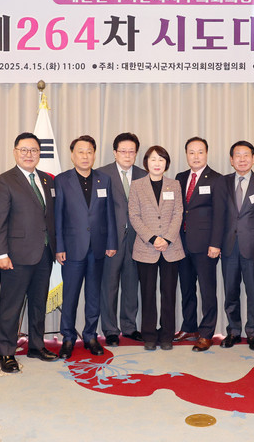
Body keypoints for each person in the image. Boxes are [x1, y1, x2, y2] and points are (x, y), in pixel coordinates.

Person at [0, 132, 58, 373]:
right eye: (24, 150)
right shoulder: (4, 181)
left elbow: (49, 217)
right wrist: (1, 254)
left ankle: (36, 346)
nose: (29, 155)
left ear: (39, 153)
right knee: (12, 306)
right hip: (16, 256)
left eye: (34, 150)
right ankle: (6, 352)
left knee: (38, 304)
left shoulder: (47, 180)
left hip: (44, 253)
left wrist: (56, 248)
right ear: (15, 152)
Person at [54, 135, 117, 359]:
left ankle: (90, 335)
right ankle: (68, 337)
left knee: (93, 295)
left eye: (89, 152)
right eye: (80, 152)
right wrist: (59, 246)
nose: (85, 156)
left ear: (94, 155)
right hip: (72, 248)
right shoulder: (62, 180)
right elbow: (58, 216)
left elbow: (109, 213)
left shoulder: (104, 179)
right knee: (70, 295)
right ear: (72, 155)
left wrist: (111, 242)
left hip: (98, 248)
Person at [128, 146, 185, 351]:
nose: (157, 163)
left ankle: (167, 335)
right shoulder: (137, 186)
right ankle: (149, 335)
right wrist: (153, 238)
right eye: (153, 159)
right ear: (146, 162)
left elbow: (178, 213)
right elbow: (134, 215)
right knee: (148, 294)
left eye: (161, 159)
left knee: (169, 294)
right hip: (146, 248)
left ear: (166, 163)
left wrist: (167, 239)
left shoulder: (174, 185)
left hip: (171, 248)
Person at [217, 141, 254, 351]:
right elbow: (218, 215)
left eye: (246, 155)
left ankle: (253, 333)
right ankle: (233, 331)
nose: (242, 159)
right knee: (230, 292)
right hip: (229, 247)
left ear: (253, 158)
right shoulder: (222, 182)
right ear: (231, 160)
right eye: (237, 155)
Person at [97, 132, 147, 346]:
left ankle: (129, 327)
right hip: (111, 241)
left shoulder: (144, 175)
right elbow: (97, 210)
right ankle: (110, 330)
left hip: (137, 240)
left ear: (136, 153)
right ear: (115, 152)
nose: (127, 155)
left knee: (131, 285)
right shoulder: (101, 174)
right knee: (109, 286)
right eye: (123, 151)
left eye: (131, 151)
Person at [174, 137, 224, 352]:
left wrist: (216, 243)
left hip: (206, 246)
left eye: (200, 152)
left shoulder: (217, 179)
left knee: (207, 290)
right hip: (182, 244)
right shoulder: (180, 177)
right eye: (191, 152)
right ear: (186, 154)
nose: (196, 156)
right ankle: (189, 327)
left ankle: (206, 333)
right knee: (186, 288)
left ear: (206, 154)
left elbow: (220, 215)